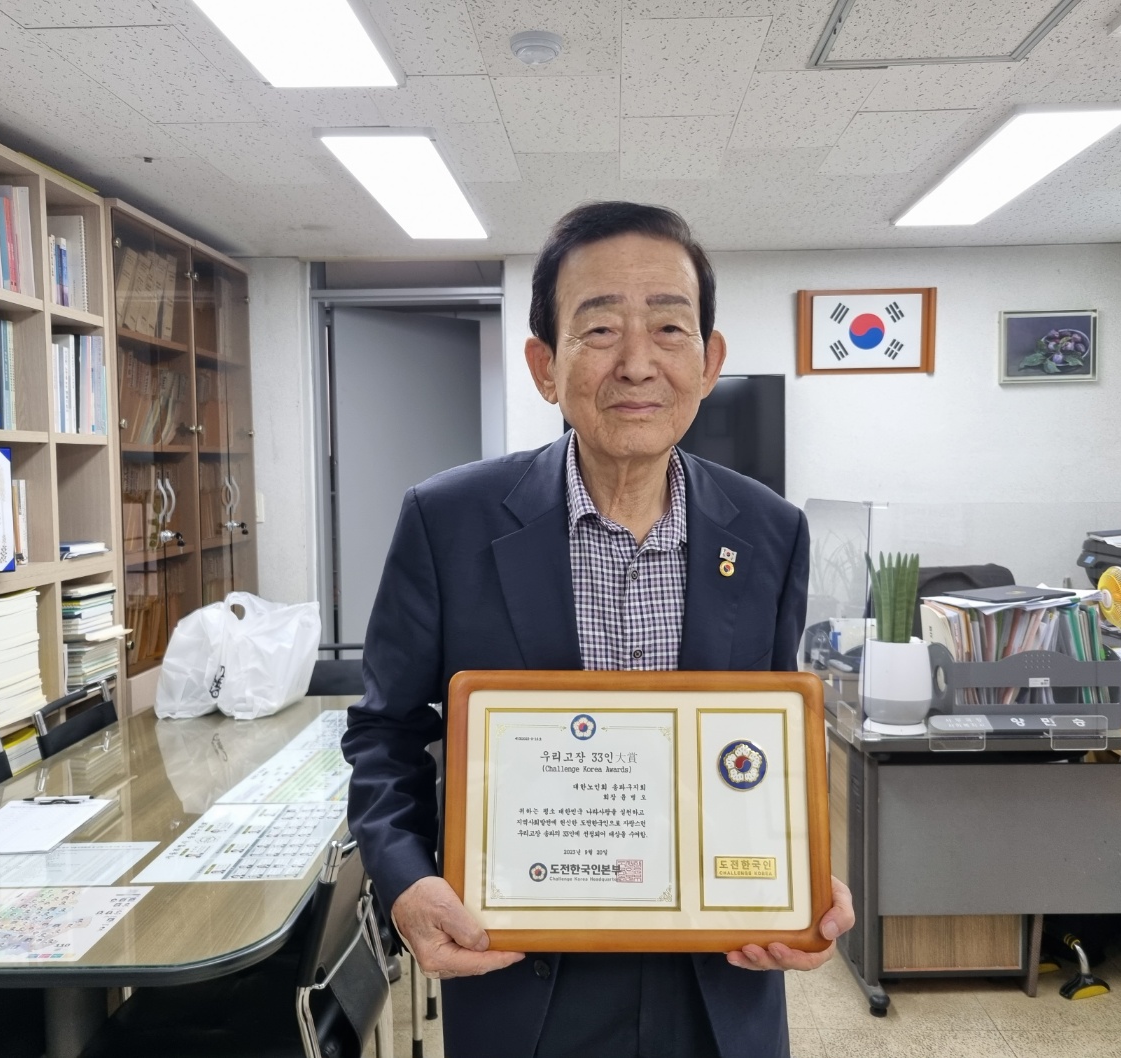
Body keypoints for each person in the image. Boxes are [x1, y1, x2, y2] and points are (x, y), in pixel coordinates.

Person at [342, 201, 854, 1058]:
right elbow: (384, 734)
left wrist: (795, 876)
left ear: (708, 361)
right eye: (601, 329)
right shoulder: (447, 520)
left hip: (716, 986)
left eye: (668, 327)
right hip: (519, 979)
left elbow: (765, 748)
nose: (637, 362)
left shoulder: (770, 531)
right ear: (545, 365)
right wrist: (404, 882)